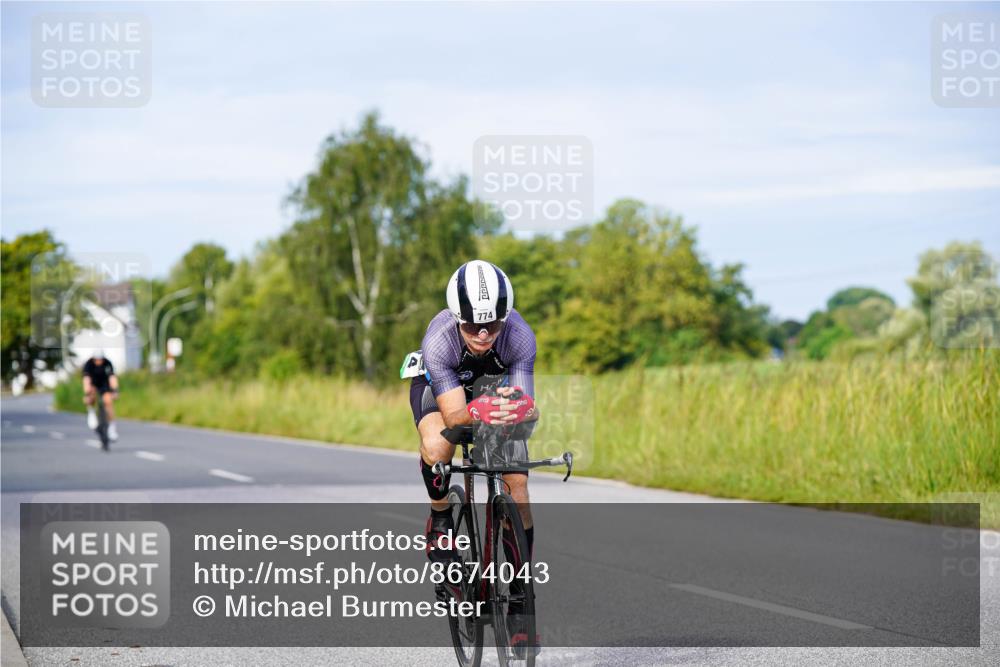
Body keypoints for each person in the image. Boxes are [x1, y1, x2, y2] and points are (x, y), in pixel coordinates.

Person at [410, 259, 539, 653]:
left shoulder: (519, 337)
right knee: (437, 446)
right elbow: (453, 416)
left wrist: (520, 410)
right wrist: (484, 409)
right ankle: (439, 520)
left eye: (492, 325)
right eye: (471, 326)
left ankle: (520, 594)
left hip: (493, 390)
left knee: (516, 485)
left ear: (505, 318)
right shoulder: (440, 341)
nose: (483, 334)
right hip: (442, 392)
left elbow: (528, 406)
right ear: (456, 318)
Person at [82, 350, 119, 441]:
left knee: (108, 402)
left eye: (101, 360)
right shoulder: (89, 364)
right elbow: (86, 380)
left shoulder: (107, 363)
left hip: (104, 385)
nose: (99, 362)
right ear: (94, 359)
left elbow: (112, 378)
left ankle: (112, 428)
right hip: (93, 384)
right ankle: (91, 412)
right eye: (97, 360)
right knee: (91, 397)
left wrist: (115, 390)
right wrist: (87, 393)